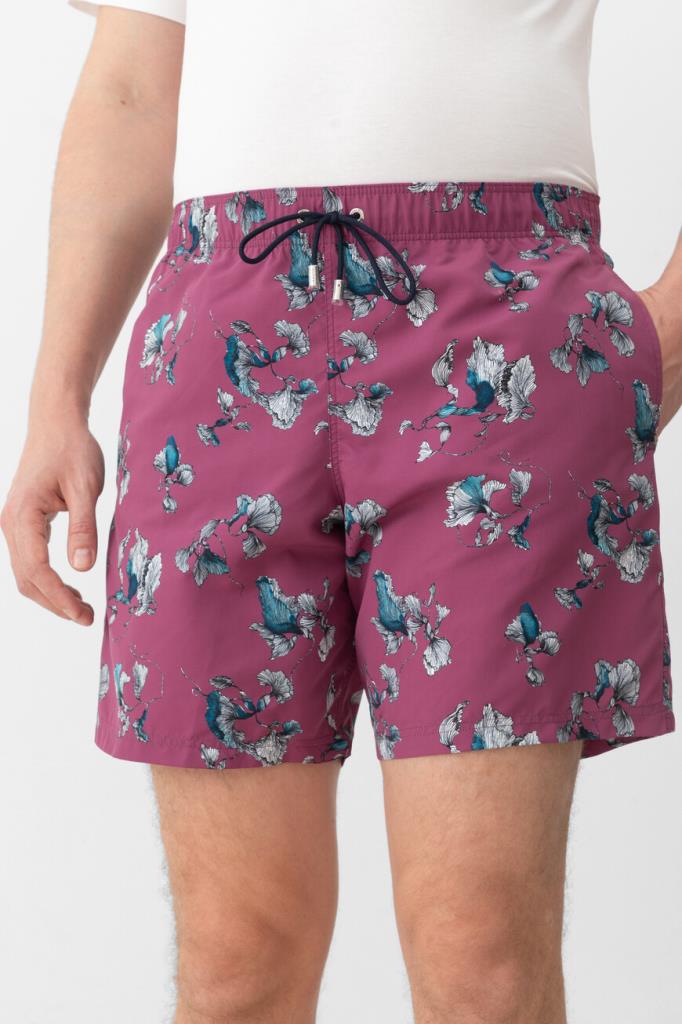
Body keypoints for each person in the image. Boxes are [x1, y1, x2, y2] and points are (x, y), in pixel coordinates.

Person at [2, 2, 680, 1022]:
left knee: (483, 962)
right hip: (222, 342)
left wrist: (660, 332)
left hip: (504, 336)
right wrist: (56, 395)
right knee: (236, 965)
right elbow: (134, 88)